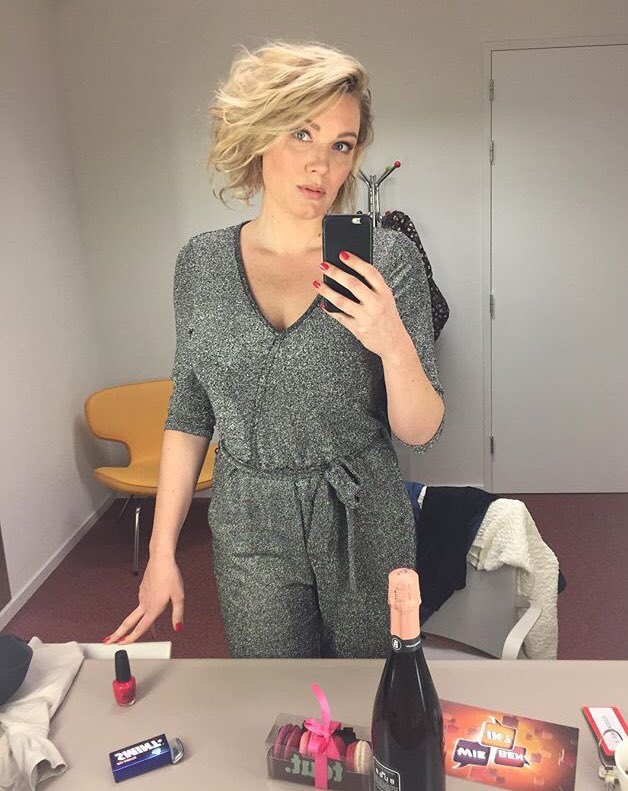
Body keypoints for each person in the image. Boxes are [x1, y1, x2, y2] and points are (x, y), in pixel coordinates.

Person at [104, 39, 445, 658]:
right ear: (260, 134)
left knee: (374, 685)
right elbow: (190, 412)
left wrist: (392, 340)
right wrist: (160, 552)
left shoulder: (387, 259)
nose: (322, 166)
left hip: (363, 516)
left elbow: (421, 431)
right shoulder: (201, 265)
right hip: (249, 521)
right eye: (301, 134)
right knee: (274, 692)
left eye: (342, 145)